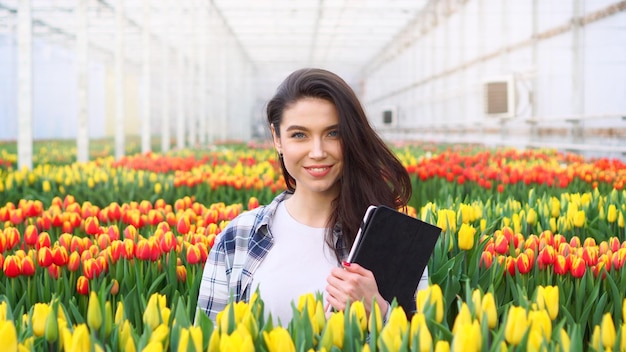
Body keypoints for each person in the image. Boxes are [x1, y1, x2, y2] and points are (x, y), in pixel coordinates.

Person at [196, 68, 428, 325]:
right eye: (299, 135)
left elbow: (428, 340)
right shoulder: (240, 235)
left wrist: (381, 315)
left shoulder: (394, 240)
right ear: (277, 139)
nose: (317, 152)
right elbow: (205, 340)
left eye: (333, 133)